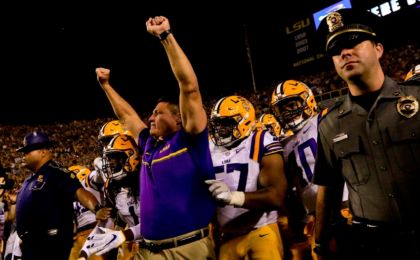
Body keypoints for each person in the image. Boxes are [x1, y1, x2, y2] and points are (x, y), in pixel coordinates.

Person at [80, 15, 216, 259]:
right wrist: (106, 86)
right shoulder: (150, 145)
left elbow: (189, 87)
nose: (150, 118)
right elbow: (127, 117)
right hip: (147, 249)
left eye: (157, 113)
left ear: (177, 118)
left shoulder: (190, 140)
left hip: (186, 248)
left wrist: (166, 36)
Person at [313, 8, 420, 259]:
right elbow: (327, 191)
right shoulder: (329, 126)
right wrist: (320, 243)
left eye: (352, 42)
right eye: (336, 49)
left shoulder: (417, 98)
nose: (344, 52)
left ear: (379, 48)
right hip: (372, 246)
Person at [206, 95, 287, 259]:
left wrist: (232, 197)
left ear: (245, 121)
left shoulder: (260, 139)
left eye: (227, 123)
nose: (220, 129)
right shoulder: (209, 146)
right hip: (227, 235)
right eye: (217, 123)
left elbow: (276, 196)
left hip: (261, 230)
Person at [15, 131, 109, 259]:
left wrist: (97, 208)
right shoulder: (29, 179)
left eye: (28, 150)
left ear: (43, 151)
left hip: (50, 245)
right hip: (31, 245)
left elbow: (78, 192)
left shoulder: (56, 173)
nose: (24, 155)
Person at [270, 79, 331, 260]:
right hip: (313, 216)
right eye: (282, 109)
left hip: (343, 206)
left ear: (308, 100)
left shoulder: (326, 120)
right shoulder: (285, 145)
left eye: (291, 105)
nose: (287, 112)